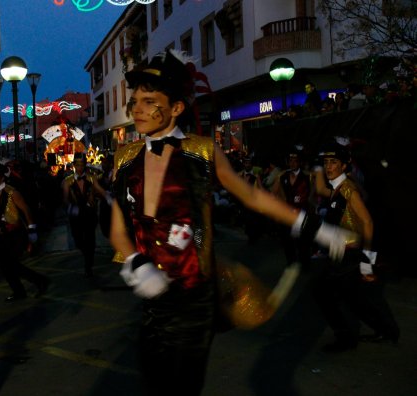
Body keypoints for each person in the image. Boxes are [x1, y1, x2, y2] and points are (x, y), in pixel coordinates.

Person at [109, 49, 355, 396]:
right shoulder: (125, 158)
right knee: (153, 383)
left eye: (150, 101)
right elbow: (118, 226)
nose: (137, 108)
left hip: (194, 298)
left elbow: (251, 196)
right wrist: (135, 262)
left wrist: (313, 226)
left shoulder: (203, 151)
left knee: (180, 388)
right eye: (135, 100)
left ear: (177, 107)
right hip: (152, 303)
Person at [312, 140, 400, 352]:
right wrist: (316, 167)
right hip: (343, 253)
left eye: (334, 162)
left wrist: (367, 261)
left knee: (332, 295)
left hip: (351, 254)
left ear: (344, 165)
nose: (329, 166)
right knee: (355, 298)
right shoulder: (337, 188)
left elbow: (367, 222)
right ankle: (386, 330)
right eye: (326, 162)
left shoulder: (348, 189)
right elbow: (320, 189)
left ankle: (349, 338)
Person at [0, 163, 49, 301]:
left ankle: (40, 281)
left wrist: (32, 228)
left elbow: (26, 210)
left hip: (15, 234)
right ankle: (19, 291)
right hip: (1, 234)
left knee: (12, 264)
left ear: (2, 178)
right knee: (4, 265)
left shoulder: (12, 193)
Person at [62, 154, 109, 277]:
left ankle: (89, 265)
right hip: (76, 216)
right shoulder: (67, 181)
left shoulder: (91, 178)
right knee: (78, 241)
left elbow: (100, 190)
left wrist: (109, 198)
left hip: (89, 215)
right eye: (77, 165)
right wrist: (72, 208)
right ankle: (87, 255)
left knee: (90, 241)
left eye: (82, 164)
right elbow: (65, 199)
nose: (79, 167)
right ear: (73, 166)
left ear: (85, 165)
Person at [272, 145, 313, 267]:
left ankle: (305, 263)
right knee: (287, 239)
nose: (292, 163)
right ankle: (291, 262)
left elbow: (312, 195)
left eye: (295, 161)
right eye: (290, 161)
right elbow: (274, 191)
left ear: (300, 162)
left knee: (302, 240)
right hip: (287, 213)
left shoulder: (307, 176)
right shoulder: (283, 176)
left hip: (301, 213)